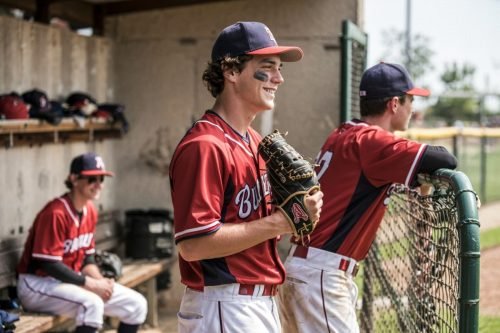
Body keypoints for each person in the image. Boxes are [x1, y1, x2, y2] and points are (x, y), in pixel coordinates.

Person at [278, 62, 458, 333]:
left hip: (308, 267)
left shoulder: (344, 132)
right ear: (394, 104)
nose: (413, 108)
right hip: (321, 275)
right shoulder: (372, 141)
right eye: (410, 100)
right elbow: (444, 158)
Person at [169, 21, 323, 333]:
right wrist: (282, 221)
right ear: (231, 71)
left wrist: (300, 213)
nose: (279, 78)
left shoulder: (255, 141)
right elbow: (194, 245)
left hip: (257, 301)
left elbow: (252, 225)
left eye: (280, 68)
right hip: (223, 304)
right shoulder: (204, 146)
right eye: (268, 67)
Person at [17, 153, 147, 333]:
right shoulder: (55, 213)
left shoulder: (90, 211)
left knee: (136, 304)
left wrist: (101, 283)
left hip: (69, 282)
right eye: (92, 179)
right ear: (74, 179)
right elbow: (49, 264)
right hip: (37, 285)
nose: (99, 184)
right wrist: (92, 285)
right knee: (91, 305)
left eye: (101, 179)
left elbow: (87, 259)